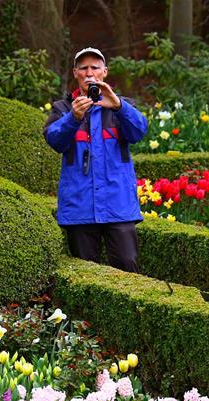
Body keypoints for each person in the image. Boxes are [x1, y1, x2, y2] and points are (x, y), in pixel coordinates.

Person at [43, 47, 148, 273]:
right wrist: (73, 118)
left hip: (117, 204)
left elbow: (139, 132)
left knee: (128, 267)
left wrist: (119, 106)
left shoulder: (121, 106)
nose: (89, 73)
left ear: (105, 72)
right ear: (75, 73)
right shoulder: (62, 109)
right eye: (84, 68)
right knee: (84, 273)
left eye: (95, 67)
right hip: (79, 207)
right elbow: (54, 141)